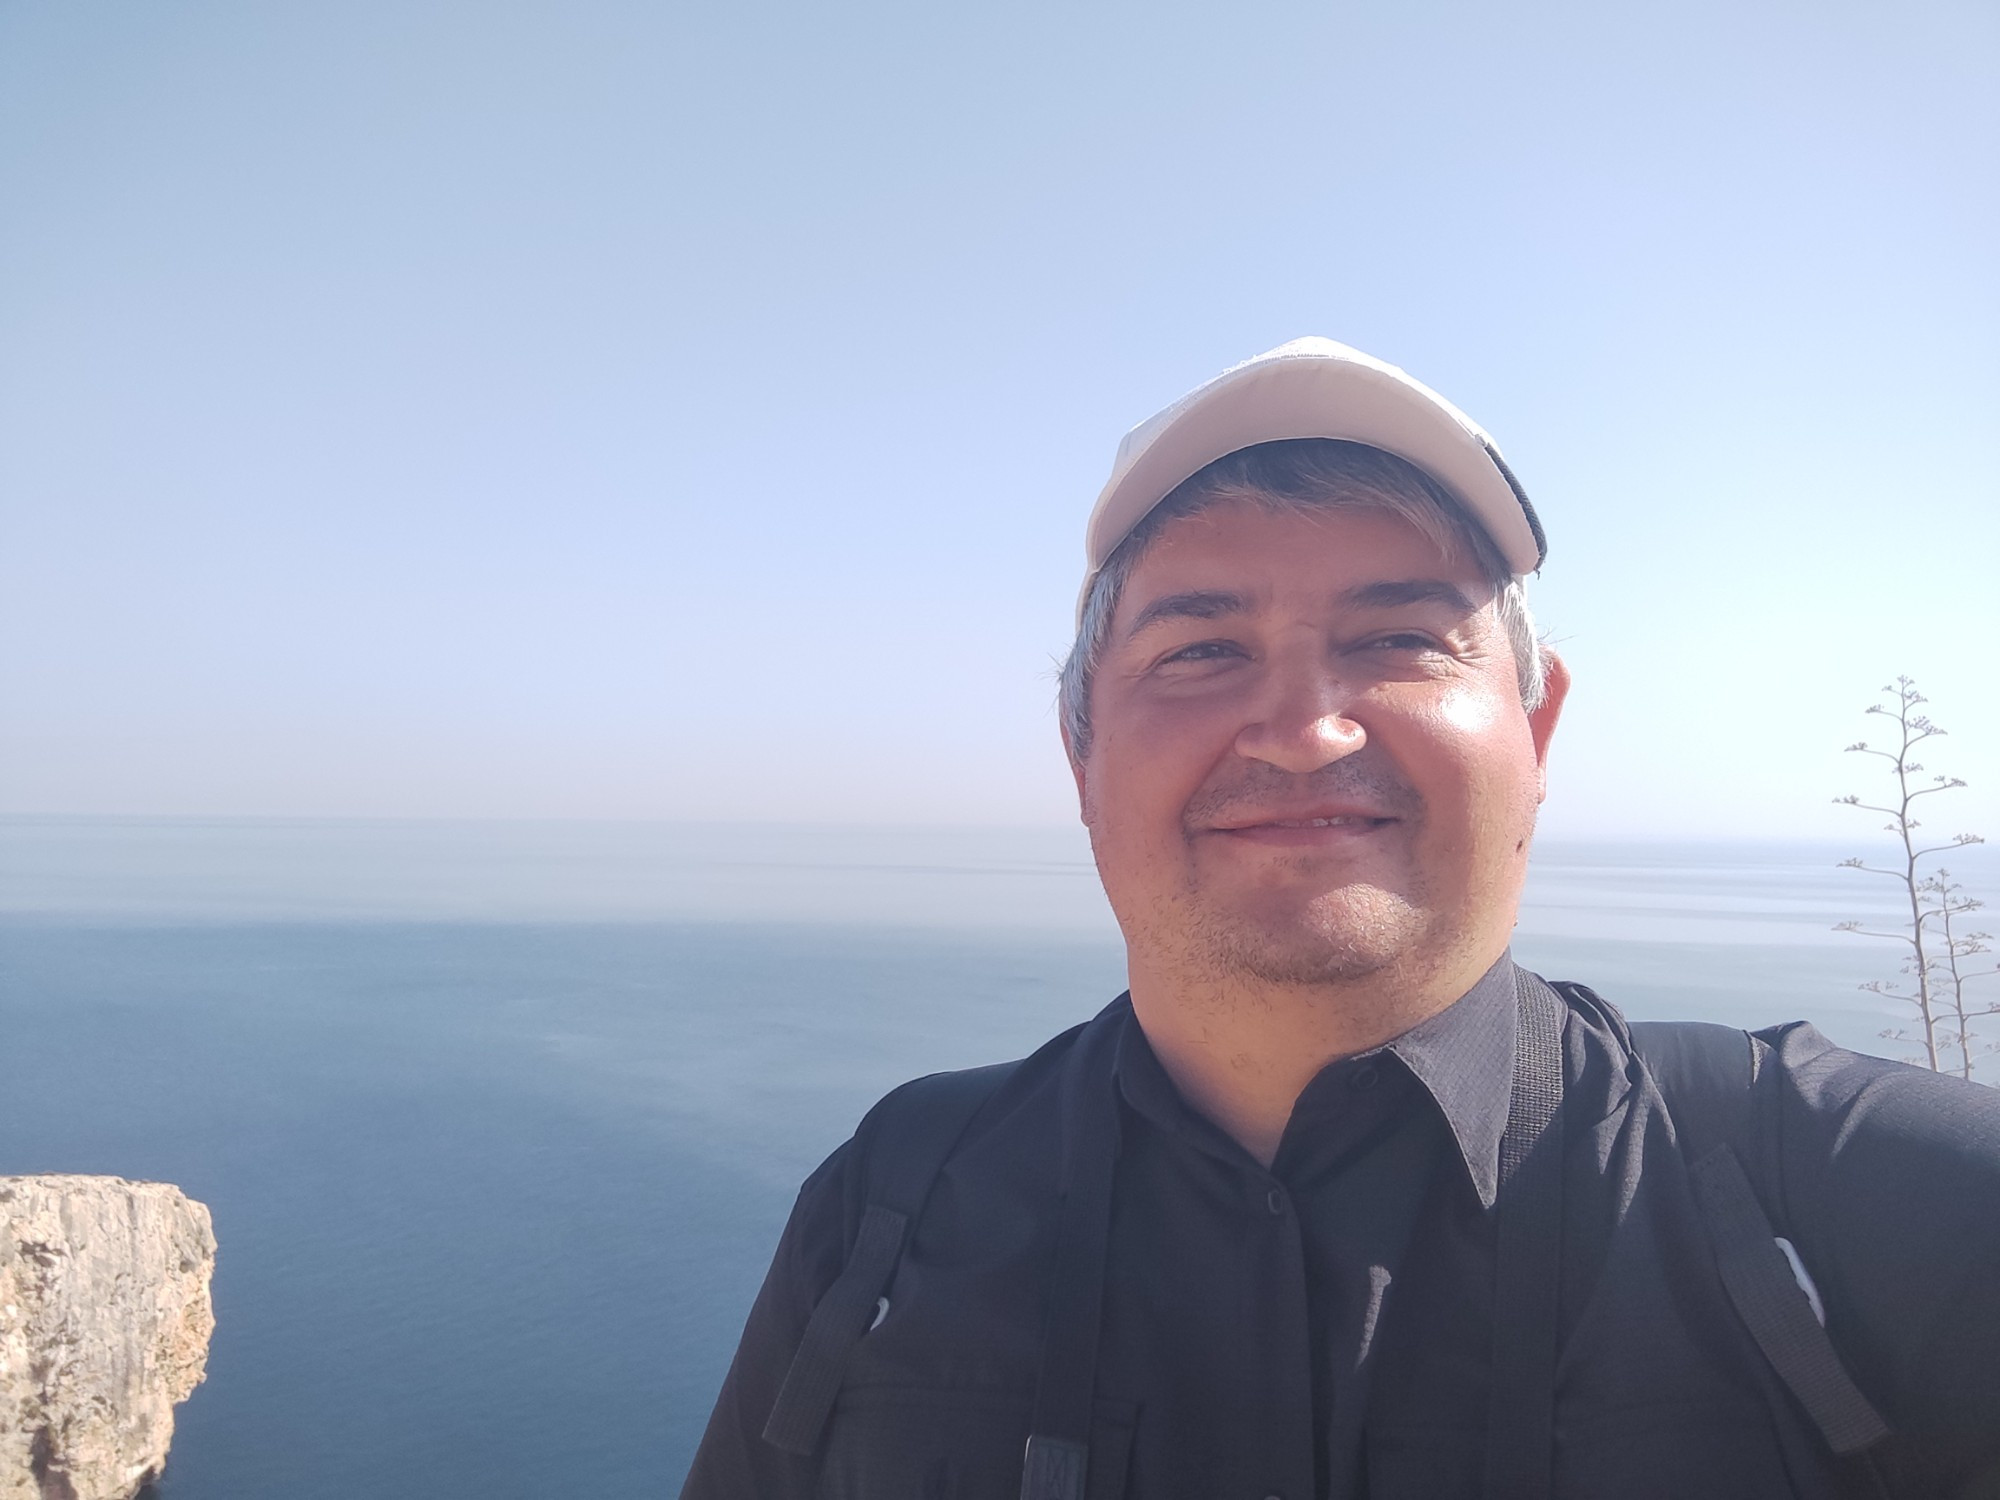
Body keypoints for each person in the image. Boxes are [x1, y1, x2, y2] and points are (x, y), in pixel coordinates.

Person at [680, 338, 2000, 1500]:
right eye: (1201, 649)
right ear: (1082, 757)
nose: (1308, 732)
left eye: (1402, 637)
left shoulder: (1851, 1208)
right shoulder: (889, 1212)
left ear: (1536, 732)